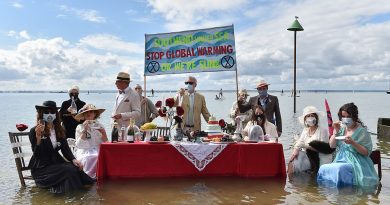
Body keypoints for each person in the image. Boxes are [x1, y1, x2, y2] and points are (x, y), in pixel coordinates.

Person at [28, 100, 94, 193]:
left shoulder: (59, 129)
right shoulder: (34, 131)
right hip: (41, 169)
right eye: (46, 112)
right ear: (41, 114)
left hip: (56, 163)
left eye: (52, 112)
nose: (49, 114)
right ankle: (77, 195)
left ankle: (75, 195)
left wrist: (74, 159)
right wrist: (38, 138)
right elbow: (37, 155)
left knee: (75, 167)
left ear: (56, 114)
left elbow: (65, 148)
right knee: (69, 170)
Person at [317, 103, 379, 187]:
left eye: (348, 117)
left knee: (339, 169)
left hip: (356, 161)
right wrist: (336, 131)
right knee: (323, 168)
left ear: (354, 116)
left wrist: (353, 143)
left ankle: (346, 194)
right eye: (343, 116)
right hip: (340, 159)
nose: (345, 119)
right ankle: (330, 194)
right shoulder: (341, 128)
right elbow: (332, 145)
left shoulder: (362, 131)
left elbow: (366, 152)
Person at [288, 106, 332, 175]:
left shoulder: (322, 130)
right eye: (308, 116)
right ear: (305, 119)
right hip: (308, 156)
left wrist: (306, 146)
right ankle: (292, 180)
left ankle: (294, 179)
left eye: (312, 115)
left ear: (316, 118)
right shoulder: (305, 130)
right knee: (295, 158)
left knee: (298, 160)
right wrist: (295, 149)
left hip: (319, 157)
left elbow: (324, 149)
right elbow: (300, 142)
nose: (310, 118)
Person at [74, 104, 108, 179]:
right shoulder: (79, 127)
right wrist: (84, 131)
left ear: (95, 114)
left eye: (91, 112)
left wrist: (103, 133)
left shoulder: (100, 125)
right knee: (92, 157)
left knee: (102, 156)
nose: (89, 114)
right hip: (84, 151)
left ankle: (101, 176)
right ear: (83, 115)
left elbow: (106, 143)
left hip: (98, 150)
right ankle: (89, 177)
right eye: (86, 112)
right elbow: (79, 145)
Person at [111, 72, 141, 142]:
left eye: (117, 82)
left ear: (124, 82)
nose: (115, 83)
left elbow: (138, 113)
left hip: (127, 130)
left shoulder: (134, 94)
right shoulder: (118, 93)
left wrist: (122, 115)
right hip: (115, 128)